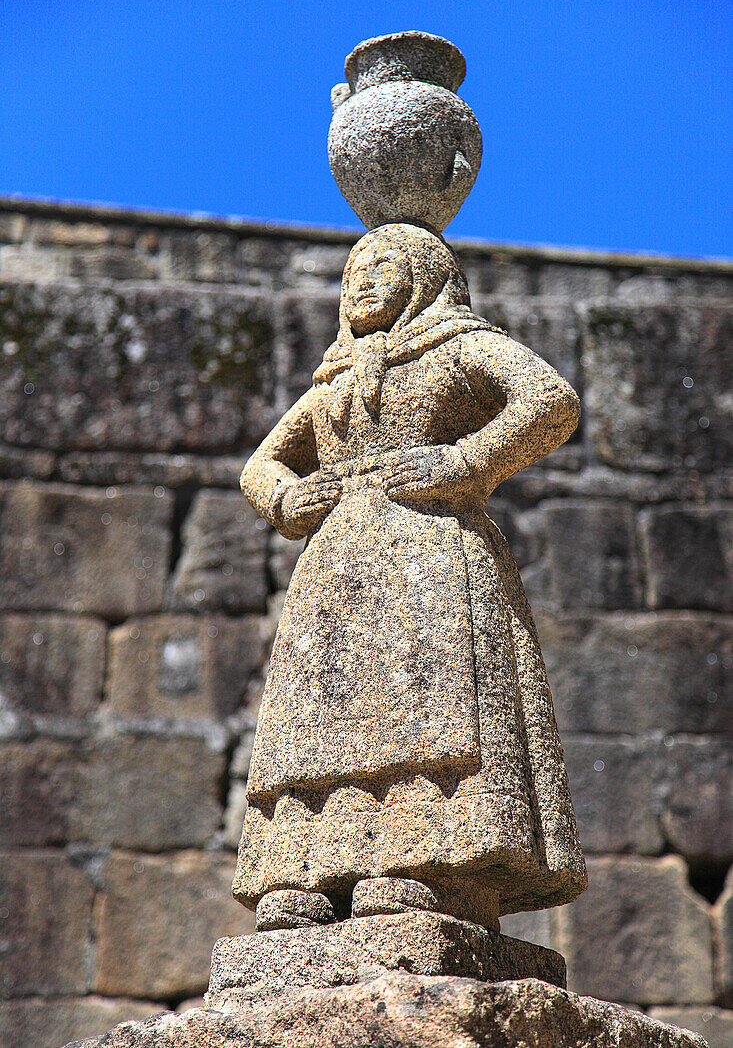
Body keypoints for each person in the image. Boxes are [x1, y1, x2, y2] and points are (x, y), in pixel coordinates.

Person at [234, 223, 586, 931]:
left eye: (382, 265)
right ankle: (302, 874)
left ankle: (433, 869)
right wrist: (283, 497)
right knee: (320, 722)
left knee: (429, 716)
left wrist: (466, 462)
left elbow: (549, 400)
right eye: (351, 270)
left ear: (424, 277)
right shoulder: (334, 379)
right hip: (336, 573)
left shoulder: (455, 348)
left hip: (431, 558)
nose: (360, 280)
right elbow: (261, 463)